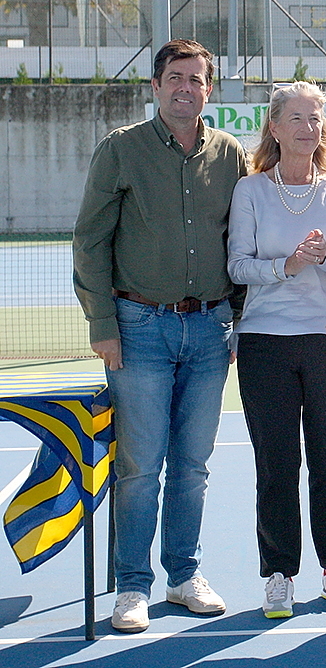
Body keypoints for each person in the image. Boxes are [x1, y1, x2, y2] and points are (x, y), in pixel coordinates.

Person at [73, 39, 246, 633]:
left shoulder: (230, 156)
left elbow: (241, 244)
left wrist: (239, 320)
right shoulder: (120, 150)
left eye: (197, 80)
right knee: (140, 466)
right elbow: (91, 241)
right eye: (175, 78)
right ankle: (132, 586)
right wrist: (103, 325)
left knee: (192, 465)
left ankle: (182, 574)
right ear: (155, 85)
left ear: (209, 89)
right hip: (138, 328)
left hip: (211, 328)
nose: (185, 89)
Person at [228, 82, 326, 618]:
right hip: (265, 343)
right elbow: (237, 266)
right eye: (296, 118)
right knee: (277, 466)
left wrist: (322, 255)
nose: (307, 129)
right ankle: (280, 574)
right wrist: (285, 265)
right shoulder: (251, 191)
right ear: (274, 126)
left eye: (315, 119)